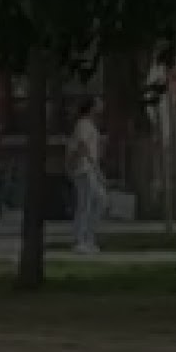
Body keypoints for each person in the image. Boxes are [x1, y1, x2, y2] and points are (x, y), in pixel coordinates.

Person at [67, 96, 106, 254]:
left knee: (100, 200)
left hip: (88, 168)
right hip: (84, 169)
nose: (101, 106)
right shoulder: (83, 124)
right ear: (91, 107)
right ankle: (80, 240)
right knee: (85, 203)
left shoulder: (90, 125)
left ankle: (89, 237)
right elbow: (82, 145)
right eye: (98, 103)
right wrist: (96, 167)